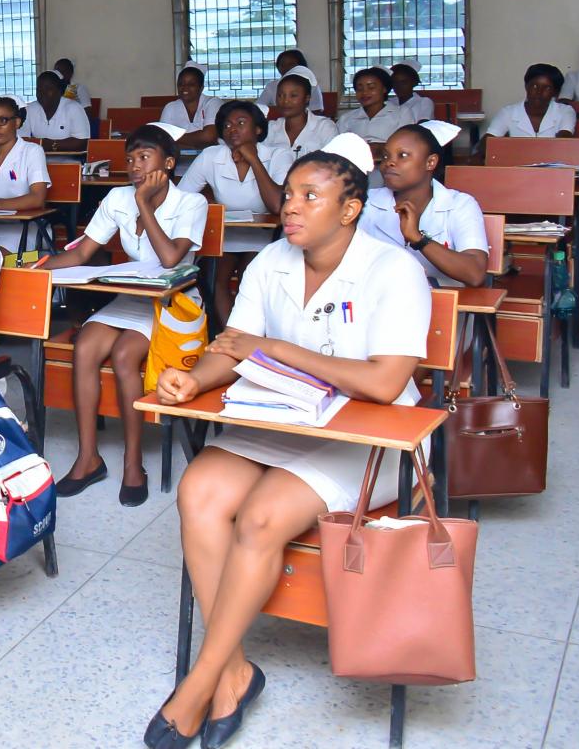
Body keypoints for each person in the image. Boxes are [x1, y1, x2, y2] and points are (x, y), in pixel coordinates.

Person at [144, 134, 430, 748]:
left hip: (365, 436)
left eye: (310, 196)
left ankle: (198, 684)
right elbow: (233, 348)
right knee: (198, 491)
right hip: (281, 416)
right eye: (290, 194)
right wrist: (192, 378)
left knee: (262, 517)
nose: (291, 207)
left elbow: (385, 383)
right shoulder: (273, 261)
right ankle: (236, 671)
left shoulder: (393, 270)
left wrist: (273, 349)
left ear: (349, 209)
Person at [35, 123, 206, 506]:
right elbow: (80, 254)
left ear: (169, 164)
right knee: (85, 349)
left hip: (172, 304)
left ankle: (133, 463)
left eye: (144, 158)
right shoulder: (116, 197)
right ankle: (88, 458)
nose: (134, 166)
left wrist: (144, 203)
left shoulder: (192, 203)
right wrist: (36, 269)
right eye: (130, 159)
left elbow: (169, 259)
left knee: (127, 356)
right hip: (132, 297)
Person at [179, 101, 292, 327]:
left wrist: (253, 159)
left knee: (248, 279)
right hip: (224, 235)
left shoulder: (279, 156)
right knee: (216, 282)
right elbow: (181, 197)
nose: (233, 129)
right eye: (227, 125)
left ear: (258, 129)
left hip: (265, 237)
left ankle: (251, 333)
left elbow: (277, 206)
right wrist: (206, 204)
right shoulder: (211, 156)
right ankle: (229, 334)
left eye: (241, 123)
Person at [362, 122, 488, 287]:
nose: (389, 163)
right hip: (378, 303)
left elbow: (475, 274)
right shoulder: (366, 202)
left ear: (430, 162)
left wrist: (418, 239)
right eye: (386, 156)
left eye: (403, 155)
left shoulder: (460, 205)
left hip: (443, 305)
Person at [0, 96, 49, 253]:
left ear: (17, 122)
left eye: (2, 120)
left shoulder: (32, 151)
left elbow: (37, 198)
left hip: (24, 227)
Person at [484, 63, 579, 143]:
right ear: (526, 86)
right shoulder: (508, 112)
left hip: (553, 165)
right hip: (516, 165)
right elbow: (488, 140)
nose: (539, 92)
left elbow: (564, 140)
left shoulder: (565, 111)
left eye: (547, 88)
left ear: (555, 92)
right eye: (534, 86)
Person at [263, 67, 337, 156]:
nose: (285, 101)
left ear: (307, 98)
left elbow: (334, 165)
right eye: (280, 95)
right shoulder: (270, 128)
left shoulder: (324, 127)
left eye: (293, 95)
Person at [22, 69, 90, 152]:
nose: (42, 92)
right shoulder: (29, 109)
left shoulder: (74, 108)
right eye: (39, 89)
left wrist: (48, 144)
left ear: (60, 91)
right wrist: (47, 144)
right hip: (37, 161)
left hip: (69, 162)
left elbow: (82, 143)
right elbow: (22, 140)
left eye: (48, 88)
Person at [161, 62, 223, 151]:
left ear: (201, 87)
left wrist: (173, 138)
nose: (185, 88)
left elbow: (209, 136)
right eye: (181, 84)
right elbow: (162, 140)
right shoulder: (170, 107)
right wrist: (197, 144)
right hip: (179, 159)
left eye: (191, 84)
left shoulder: (213, 103)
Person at [336, 67, 403, 147]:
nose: (365, 92)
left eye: (371, 87)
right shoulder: (346, 119)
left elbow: (407, 142)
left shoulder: (401, 114)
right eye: (359, 89)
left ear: (384, 88)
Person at [255, 49, 324, 112]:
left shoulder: (312, 85)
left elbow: (317, 110)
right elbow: (259, 107)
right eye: (282, 65)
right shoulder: (271, 86)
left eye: (291, 64)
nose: (286, 68)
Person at [389, 60, 434, 124]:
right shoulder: (389, 102)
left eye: (404, 82)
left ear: (414, 83)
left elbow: (423, 125)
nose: (399, 86)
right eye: (395, 82)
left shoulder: (424, 102)